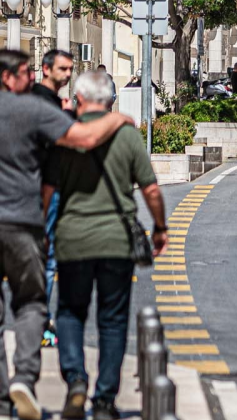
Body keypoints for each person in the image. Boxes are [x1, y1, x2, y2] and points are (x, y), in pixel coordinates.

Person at [0, 50, 133, 420]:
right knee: (30, 302)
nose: (32, 81)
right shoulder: (32, 110)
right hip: (21, 222)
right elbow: (84, 138)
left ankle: (1, 399)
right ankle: (24, 378)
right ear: (9, 78)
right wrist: (119, 118)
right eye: (26, 74)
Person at [43, 70, 168, 419]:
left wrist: (43, 230)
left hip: (72, 239)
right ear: (109, 101)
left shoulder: (64, 137)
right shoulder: (127, 136)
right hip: (116, 240)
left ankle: (76, 381)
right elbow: (152, 190)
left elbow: (48, 191)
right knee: (112, 320)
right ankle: (104, 400)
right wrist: (159, 228)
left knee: (70, 312)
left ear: (80, 100)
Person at [33, 50, 75, 349]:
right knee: (46, 260)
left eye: (71, 69)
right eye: (63, 68)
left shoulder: (49, 103)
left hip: (50, 189)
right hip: (45, 190)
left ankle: (37, 320)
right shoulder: (43, 104)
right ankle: (39, 323)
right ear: (46, 69)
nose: (68, 74)